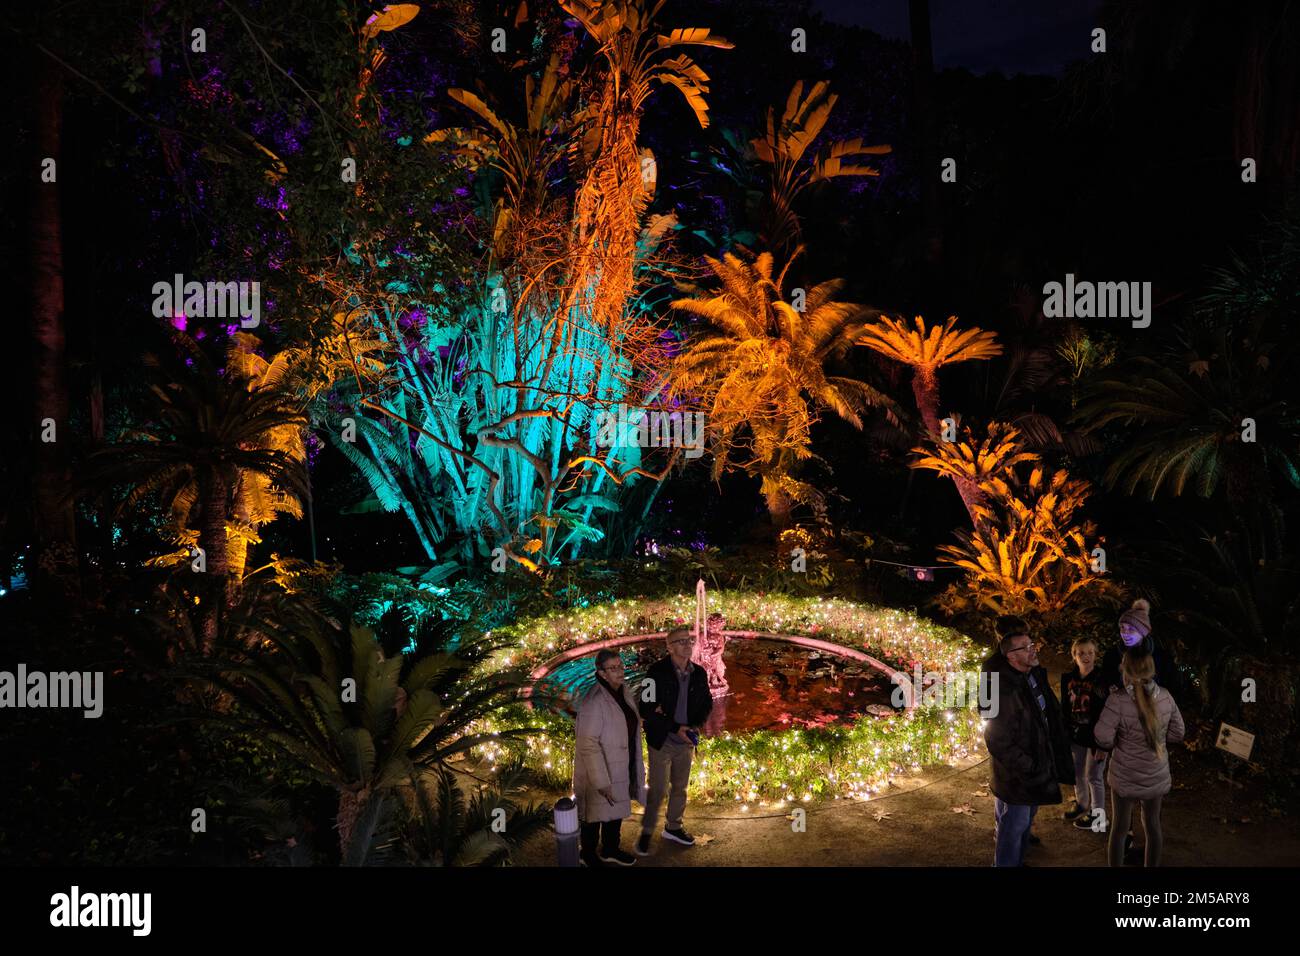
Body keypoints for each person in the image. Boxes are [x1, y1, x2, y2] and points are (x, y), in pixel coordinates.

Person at [981, 616, 1075, 866]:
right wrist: (1030, 766)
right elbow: (996, 736)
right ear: (1010, 652)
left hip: (1035, 762)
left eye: (1032, 642)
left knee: (1019, 820)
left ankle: (1016, 861)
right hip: (1019, 771)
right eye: (1027, 646)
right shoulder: (997, 679)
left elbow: (1046, 710)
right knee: (1015, 824)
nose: (1034, 649)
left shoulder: (1032, 672)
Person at [1093, 647, 1185, 867]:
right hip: (1156, 773)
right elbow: (1178, 733)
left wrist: (1118, 742)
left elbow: (1102, 737)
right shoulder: (1166, 696)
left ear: (1125, 670)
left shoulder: (1117, 700)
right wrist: (1159, 739)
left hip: (1124, 775)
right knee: (1153, 827)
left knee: (1119, 829)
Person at [636, 626, 713, 856]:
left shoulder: (699, 673)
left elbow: (707, 703)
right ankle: (647, 832)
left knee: (680, 787)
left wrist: (693, 725)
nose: (687, 644)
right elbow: (646, 708)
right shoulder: (655, 673)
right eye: (680, 641)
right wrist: (674, 727)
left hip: (685, 740)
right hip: (663, 740)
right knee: (658, 789)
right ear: (669, 647)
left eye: (689, 640)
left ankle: (674, 827)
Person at [573, 649, 646, 866]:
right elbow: (587, 743)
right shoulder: (594, 702)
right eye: (613, 668)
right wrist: (601, 781)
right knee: (594, 814)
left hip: (619, 762)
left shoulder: (622, 691)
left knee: (614, 810)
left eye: (621, 666)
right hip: (601, 769)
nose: (620, 671)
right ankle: (588, 853)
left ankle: (610, 849)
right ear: (602, 673)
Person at [1060, 637, 1111, 830]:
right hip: (1075, 735)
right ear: (1074, 655)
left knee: (1094, 776)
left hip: (1095, 738)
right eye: (1081, 652)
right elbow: (1064, 708)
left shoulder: (1102, 680)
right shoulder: (1068, 678)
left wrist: (1103, 744)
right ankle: (1082, 804)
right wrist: (1063, 733)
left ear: (1095, 654)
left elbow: (1108, 715)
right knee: (1077, 772)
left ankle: (1098, 817)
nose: (1086, 656)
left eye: (1090, 652)